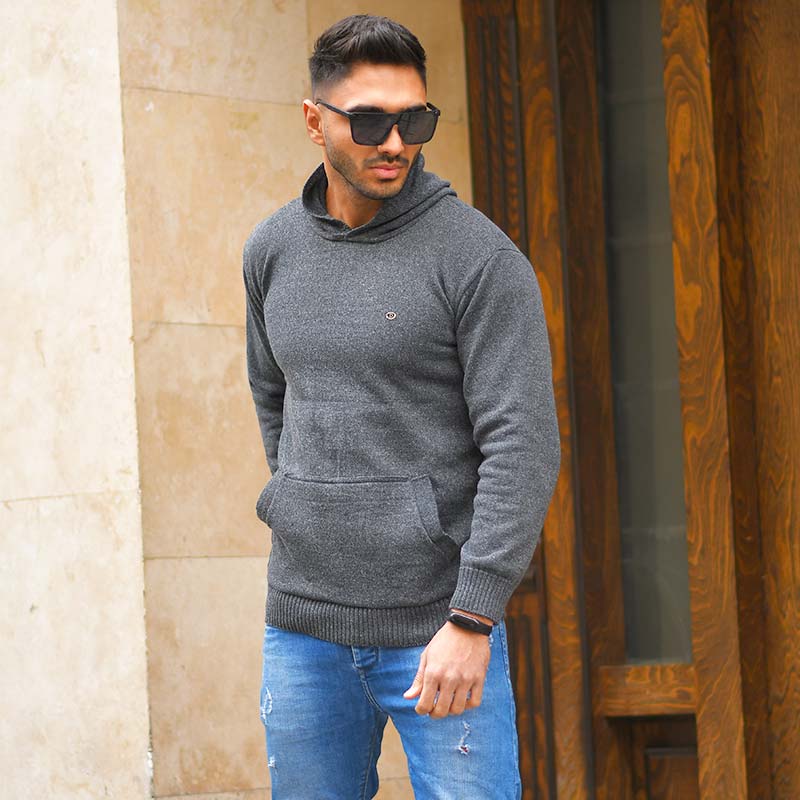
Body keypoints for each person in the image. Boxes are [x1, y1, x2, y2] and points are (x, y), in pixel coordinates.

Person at [242, 13, 561, 799]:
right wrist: (311, 504)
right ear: (314, 120)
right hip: (302, 629)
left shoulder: (478, 259)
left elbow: (522, 446)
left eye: (413, 121)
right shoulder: (271, 252)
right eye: (370, 122)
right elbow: (276, 398)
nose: (394, 143)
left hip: (438, 628)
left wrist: (473, 617)